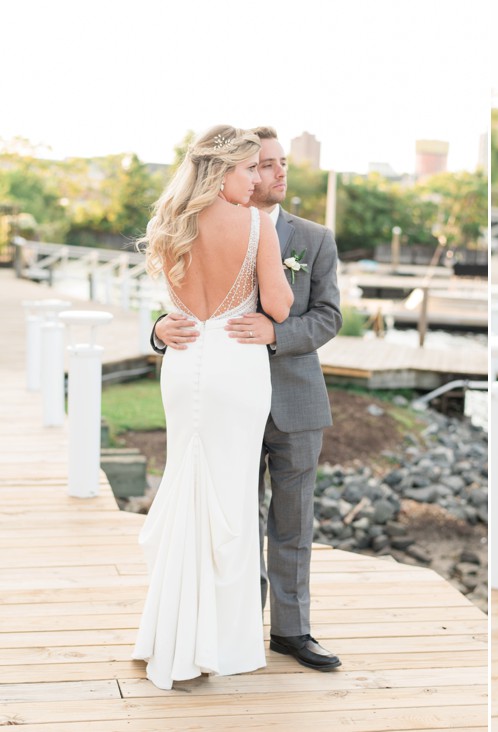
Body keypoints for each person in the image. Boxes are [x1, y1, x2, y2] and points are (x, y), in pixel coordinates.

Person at [152, 126, 344, 672]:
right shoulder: (216, 226)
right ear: (242, 171)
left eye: (283, 162)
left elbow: (329, 317)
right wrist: (160, 330)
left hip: (293, 400)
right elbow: (180, 312)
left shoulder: (314, 237)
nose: (278, 172)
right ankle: (232, 626)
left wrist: (277, 335)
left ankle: (291, 633)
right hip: (225, 395)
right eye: (266, 163)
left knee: (292, 521)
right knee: (226, 514)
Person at [133, 125, 294, 689]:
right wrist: (273, 294)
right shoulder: (256, 226)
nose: (256, 180)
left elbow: (168, 300)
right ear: (222, 170)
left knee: (186, 484)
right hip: (235, 363)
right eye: (249, 169)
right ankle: (222, 641)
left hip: (183, 360)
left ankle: (169, 632)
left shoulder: (169, 223)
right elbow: (277, 302)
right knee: (227, 496)